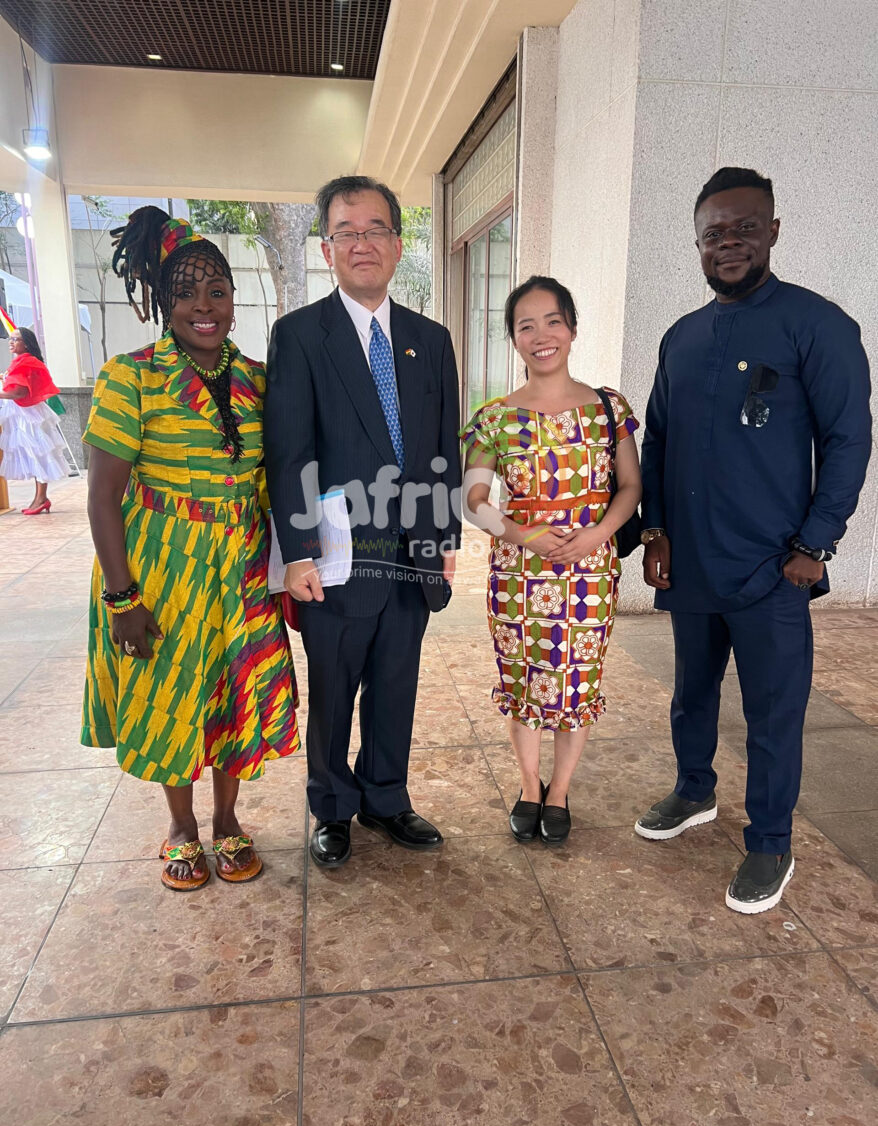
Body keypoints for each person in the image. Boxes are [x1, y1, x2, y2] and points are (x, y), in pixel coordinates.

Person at [637, 167, 872, 913]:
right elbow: (660, 439)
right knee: (691, 694)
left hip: (775, 567)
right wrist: (656, 530)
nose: (728, 244)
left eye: (743, 228)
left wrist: (818, 544)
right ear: (697, 243)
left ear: (772, 230)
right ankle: (694, 790)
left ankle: (770, 841)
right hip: (693, 562)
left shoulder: (818, 325)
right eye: (714, 233)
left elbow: (848, 440)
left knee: (774, 710)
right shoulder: (682, 336)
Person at [81, 206, 300, 891]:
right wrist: (123, 597)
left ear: (234, 301)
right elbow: (102, 497)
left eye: (217, 292)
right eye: (186, 294)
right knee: (171, 693)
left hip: (239, 569)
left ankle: (229, 820)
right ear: (162, 302)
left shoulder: (262, 382)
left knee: (236, 694)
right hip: (161, 569)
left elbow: (278, 481)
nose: (203, 308)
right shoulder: (132, 377)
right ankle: (182, 827)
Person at [264, 175, 461, 868]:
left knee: (396, 682)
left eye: (374, 229)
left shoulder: (430, 340)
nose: (361, 243)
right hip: (337, 554)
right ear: (325, 248)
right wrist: (297, 553)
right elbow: (290, 454)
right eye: (346, 231)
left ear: (399, 244)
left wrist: (442, 537)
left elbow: (444, 448)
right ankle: (332, 807)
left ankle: (385, 797)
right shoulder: (299, 336)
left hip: (411, 552)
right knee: (334, 688)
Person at [461, 276, 642, 845]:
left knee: (576, 684)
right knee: (524, 681)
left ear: (572, 328)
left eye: (552, 322)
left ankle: (560, 790)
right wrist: (524, 534)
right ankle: (529, 785)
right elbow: (471, 501)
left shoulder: (610, 409)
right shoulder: (494, 417)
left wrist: (598, 536)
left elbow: (631, 486)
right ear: (513, 339)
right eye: (526, 325)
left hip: (589, 572)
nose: (542, 336)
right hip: (521, 573)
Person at [0, 326, 69, 513]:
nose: (11, 342)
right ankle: (40, 498)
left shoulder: (26, 362)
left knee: (37, 455)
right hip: (25, 414)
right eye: (10, 339)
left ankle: (41, 499)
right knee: (36, 455)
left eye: (16, 339)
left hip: (28, 415)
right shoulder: (23, 361)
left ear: (27, 344)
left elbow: (20, 391)